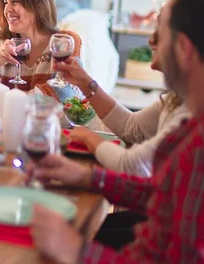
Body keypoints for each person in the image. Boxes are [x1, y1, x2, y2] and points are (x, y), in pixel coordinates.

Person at [29, 0, 204, 264]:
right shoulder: (201, 117)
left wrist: (77, 251)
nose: (150, 42)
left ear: (185, 50)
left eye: (161, 32)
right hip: (136, 263)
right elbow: (169, 192)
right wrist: (87, 177)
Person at [58, 28, 191, 177]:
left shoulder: (191, 110)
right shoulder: (177, 97)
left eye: (162, 29)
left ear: (185, 44)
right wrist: (84, 81)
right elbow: (132, 127)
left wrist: (88, 137)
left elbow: (134, 165)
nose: (151, 39)